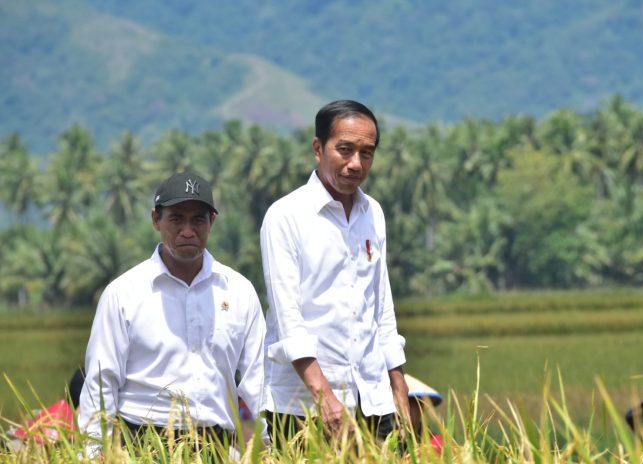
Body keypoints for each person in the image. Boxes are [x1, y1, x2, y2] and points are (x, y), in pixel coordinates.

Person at [78, 172, 266, 457]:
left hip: (214, 447)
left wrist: (259, 449)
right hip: (142, 446)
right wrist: (94, 454)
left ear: (212, 221)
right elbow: (101, 383)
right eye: (177, 218)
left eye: (198, 219)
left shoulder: (239, 292)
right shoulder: (124, 294)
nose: (188, 230)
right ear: (156, 220)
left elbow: (256, 381)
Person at [260, 100, 411, 446]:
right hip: (304, 408)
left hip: (372, 399)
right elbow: (288, 318)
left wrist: (398, 386)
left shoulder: (373, 213)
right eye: (344, 150)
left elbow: (381, 307)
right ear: (318, 148)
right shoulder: (286, 216)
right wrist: (324, 396)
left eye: (367, 153)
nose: (355, 163)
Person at [405, 374, 444, 454]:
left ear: (421, 408)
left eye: (407, 404)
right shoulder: (379, 443)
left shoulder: (435, 444)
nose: (398, 412)